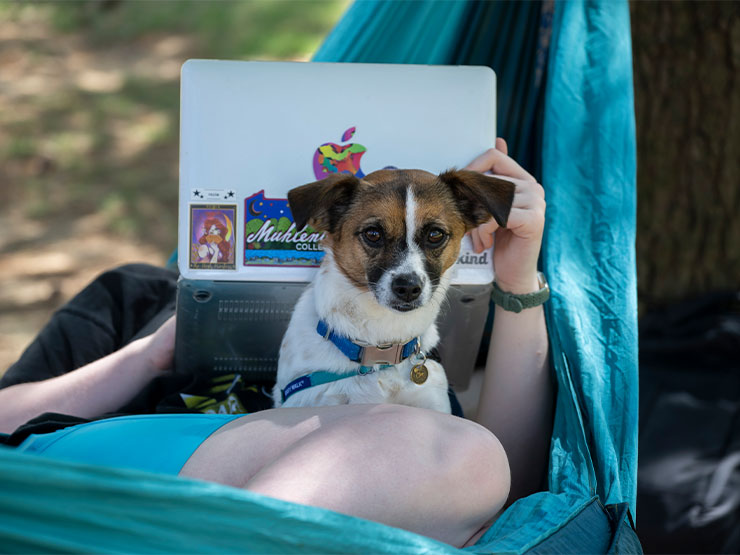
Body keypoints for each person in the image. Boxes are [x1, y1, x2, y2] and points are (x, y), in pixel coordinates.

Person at [0, 139, 551, 548]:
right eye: (374, 233)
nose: (407, 268)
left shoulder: (427, 348)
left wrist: (518, 276)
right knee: (456, 452)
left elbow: (523, 488)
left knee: (472, 460)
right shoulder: (134, 295)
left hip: (335, 497)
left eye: (432, 236)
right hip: (121, 478)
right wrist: (150, 354)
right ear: (326, 223)